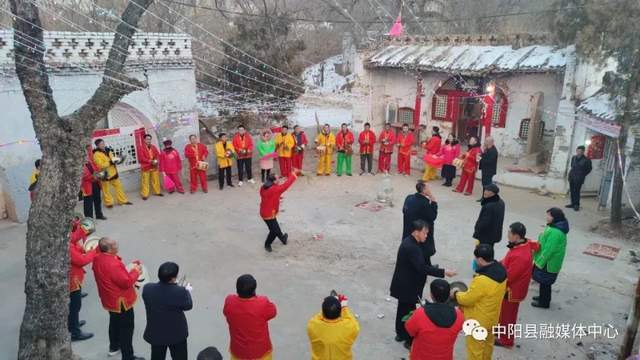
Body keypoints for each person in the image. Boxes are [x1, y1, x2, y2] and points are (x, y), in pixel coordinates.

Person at [390, 220, 456, 349]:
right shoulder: (412, 247)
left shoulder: (412, 242)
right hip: (408, 285)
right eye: (424, 233)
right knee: (409, 313)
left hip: (403, 283)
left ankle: (400, 333)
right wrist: (444, 272)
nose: (426, 235)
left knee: (402, 309)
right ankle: (409, 340)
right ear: (416, 232)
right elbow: (422, 268)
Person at [92, 237, 144, 360]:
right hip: (121, 301)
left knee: (114, 322)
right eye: (114, 245)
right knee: (127, 328)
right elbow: (126, 282)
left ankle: (114, 347)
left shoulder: (97, 258)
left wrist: (130, 267)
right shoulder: (113, 264)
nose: (117, 246)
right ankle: (128, 356)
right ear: (109, 249)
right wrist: (136, 271)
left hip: (109, 298)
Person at [453, 244, 507, 360]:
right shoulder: (502, 270)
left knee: (475, 351)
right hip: (492, 318)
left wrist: (455, 294)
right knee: (488, 347)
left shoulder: (482, 280)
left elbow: (467, 299)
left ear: (481, 260)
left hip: (478, 322)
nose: (474, 260)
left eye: (476, 258)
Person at [495, 222, 539, 348]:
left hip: (512, 291)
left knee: (509, 316)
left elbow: (510, 276)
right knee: (503, 312)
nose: (507, 235)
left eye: (509, 233)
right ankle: (500, 331)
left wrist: (494, 276)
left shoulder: (521, 256)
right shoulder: (523, 244)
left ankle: (506, 340)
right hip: (511, 288)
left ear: (516, 236)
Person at [142, 262, 193, 360]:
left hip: (156, 333)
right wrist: (186, 290)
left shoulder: (147, 289)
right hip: (176, 335)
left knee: (157, 357)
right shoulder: (180, 292)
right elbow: (188, 305)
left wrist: (176, 287)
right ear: (173, 278)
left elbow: (164, 295)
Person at [405, 279, 464, 360]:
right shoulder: (459, 316)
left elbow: (410, 330)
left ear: (431, 295)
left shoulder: (420, 314)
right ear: (448, 295)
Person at [223, 274, 277, 360]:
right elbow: (273, 312)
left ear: (237, 289)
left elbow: (226, 312)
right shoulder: (262, 303)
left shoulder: (229, 302)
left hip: (238, 353)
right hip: (260, 353)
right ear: (254, 290)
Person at [532, 208, 569, 309]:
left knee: (545, 282)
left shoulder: (556, 232)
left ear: (555, 217)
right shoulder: (553, 227)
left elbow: (549, 250)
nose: (547, 217)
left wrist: (540, 262)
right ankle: (542, 297)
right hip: (547, 261)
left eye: (549, 215)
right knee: (543, 282)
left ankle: (544, 302)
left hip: (548, 262)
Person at [307, 293, 360, 360]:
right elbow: (351, 320)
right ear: (340, 313)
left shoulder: (312, 325)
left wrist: (327, 304)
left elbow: (319, 316)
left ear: (323, 312)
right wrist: (344, 307)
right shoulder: (351, 327)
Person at [68, 219, 97, 341]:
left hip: (72, 277)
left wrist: (84, 249)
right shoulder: (66, 244)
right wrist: (92, 252)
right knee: (75, 305)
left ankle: (72, 323)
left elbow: (75, 245)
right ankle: (74, 331)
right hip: (72, 279)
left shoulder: (66, 240)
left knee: (74, 303)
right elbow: (81, 261)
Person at [259, 171, 297, 252]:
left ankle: (283, 238)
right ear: (274, 181)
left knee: (274, 227)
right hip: (269, 214)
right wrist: (293, 174)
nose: (279, 180)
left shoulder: (263, 187)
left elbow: (268, 197)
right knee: (273, 231)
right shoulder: (275, 189)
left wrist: (276, 197)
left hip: (264, 211)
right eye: (278, 179)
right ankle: (267, 244)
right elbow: (285, 185)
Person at [402, 181, 438, 262]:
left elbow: (404, 210)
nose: (429, 190)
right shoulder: (424, 203)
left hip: (408, 229)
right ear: (424, 190)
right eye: (428, 188)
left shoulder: (409, 197)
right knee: (422, 252)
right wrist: (433, 200)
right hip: (418, 231)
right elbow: (433, 216)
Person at [93, 139, 133, 208]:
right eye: (101, 144)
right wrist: (110, 162)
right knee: (106, 189)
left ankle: (123, 200)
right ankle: (109, 203)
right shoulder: (96, 154)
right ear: (97, 146)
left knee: (119, 187)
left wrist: (118, 160)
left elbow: (113, 159)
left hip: (113, 172)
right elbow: (100, 165)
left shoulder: (108, 150)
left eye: (103, 143)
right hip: (104, 173)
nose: (103, 145)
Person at [473, 183, 505, 248]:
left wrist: (476, 231)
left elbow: (484, 222)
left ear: (493, 193)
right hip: (494, 234)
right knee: (489, 251)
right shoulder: (501, 202)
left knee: (481, 253)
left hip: (485, 236)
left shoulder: (489, 206)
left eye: (488, 191)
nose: (485, 192)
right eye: (485, 190)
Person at [82, 147, 106, 219]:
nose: (86, 156)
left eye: (86, 154)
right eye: (84, 155)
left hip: (95, 182)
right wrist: (94, 176)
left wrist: (99, 173)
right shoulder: (79, 165)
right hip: (87, 185)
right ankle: (89, 219)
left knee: (97, 199)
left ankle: (99, 215)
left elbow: (96, 168)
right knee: (88, 202)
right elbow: (84, 175)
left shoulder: (90, 161)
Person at [566, 145, 592, 211]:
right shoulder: (574, 158)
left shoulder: (587, 160)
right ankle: (572, 203)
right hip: (572, 176)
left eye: (580, 151)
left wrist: (582, 174)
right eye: (577, 151)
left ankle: (576, 205)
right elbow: (572, 165)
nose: (578, 152)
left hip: (579, 178)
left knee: (577, 191)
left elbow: (589, 169)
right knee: (572, 190)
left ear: (583, 152)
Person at [138, 134, 163, 200]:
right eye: (147, 139)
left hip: (154, 166)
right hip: (145, 167)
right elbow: (141, 158)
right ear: (144, 140)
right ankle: (145, 195)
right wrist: (150, 161)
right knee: (145, 181)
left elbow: (158, 154)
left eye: (150, 139)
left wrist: (157, 160)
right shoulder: (141, 148)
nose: (149, 140)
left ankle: (157, 192)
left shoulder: (153, 147)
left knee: (156, 180)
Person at [477, 137, 498, 201]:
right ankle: (484, 197)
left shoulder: (493, 151)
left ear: (490, 142)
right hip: (485, 169)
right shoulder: (488, 149)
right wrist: (481, 154)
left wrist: (480, 158)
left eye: (486, 141)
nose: (484, 142)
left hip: (489, 171)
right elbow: (485, 156)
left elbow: (489, 161)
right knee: (484, 184)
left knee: (487, 185)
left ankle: (488, 198)